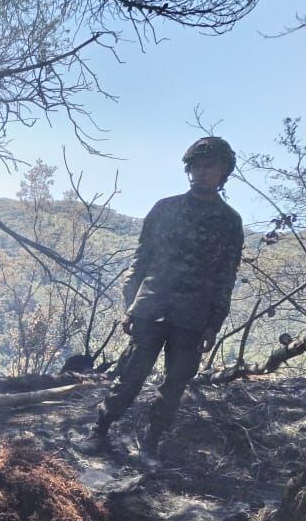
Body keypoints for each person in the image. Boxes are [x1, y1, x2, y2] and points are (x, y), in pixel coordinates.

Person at [78, 137, 243, 461]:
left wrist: (214, 323)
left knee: (174, 386)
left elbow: (227, 276)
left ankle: (151, 442)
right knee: (130, 376)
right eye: (195, 165)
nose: (200, 172)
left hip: (194, 316)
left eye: (208, 166)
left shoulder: (229, 222)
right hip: (151, 306)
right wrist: (131, 306)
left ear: (223, 172)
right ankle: (99, 429)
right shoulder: (164, 209)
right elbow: (141, 260)